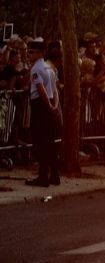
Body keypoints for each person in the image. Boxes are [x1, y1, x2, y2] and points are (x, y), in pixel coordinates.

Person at [27, 39, 60, 187]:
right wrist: (55, 106)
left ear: (40, 53)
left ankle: (43, 176)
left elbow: (41, 90)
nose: (29, 55)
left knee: (40, 142)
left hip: (40, 106)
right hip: (50, 105)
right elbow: (54, 90)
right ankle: (54, 174)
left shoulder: (36, 69)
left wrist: (48, 106)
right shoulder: (49, 68)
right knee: (50, 142)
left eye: (32, 52)